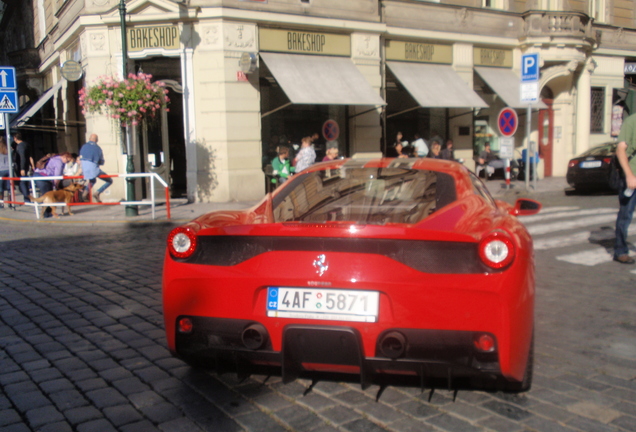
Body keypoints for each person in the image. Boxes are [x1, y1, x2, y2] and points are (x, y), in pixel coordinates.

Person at [613, 113, 636, 264]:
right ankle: (620, 251)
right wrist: (629, 175)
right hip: (633, 178)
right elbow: (620, 149)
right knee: (625, 215)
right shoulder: (632, 121)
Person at [80, 134, 112, 202]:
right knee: (109, 180)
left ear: (89, 138)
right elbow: (101, 161)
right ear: (96, 140)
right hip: (94, 170)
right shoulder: (97, 148)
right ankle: (97, 193)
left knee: (93, 180)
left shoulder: (83, 147)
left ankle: (85, 193)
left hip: (85, 169)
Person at [13, 132, 34, 203]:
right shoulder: (27, 145)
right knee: (24, 183)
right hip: (27, 166)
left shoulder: (20, 146)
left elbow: (23, 157)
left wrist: (22, 168)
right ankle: (27, 198)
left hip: (21, 167)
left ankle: (27, 199)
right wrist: (32, 165)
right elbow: (30, 157)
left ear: (15, 138)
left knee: (22, 183)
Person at [0, 137, 10, 207]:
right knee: (9, 187)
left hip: (1, 170)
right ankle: (10, 203)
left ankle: (1, 203)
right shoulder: (9, 149)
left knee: (0, 188)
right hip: (9, 170)